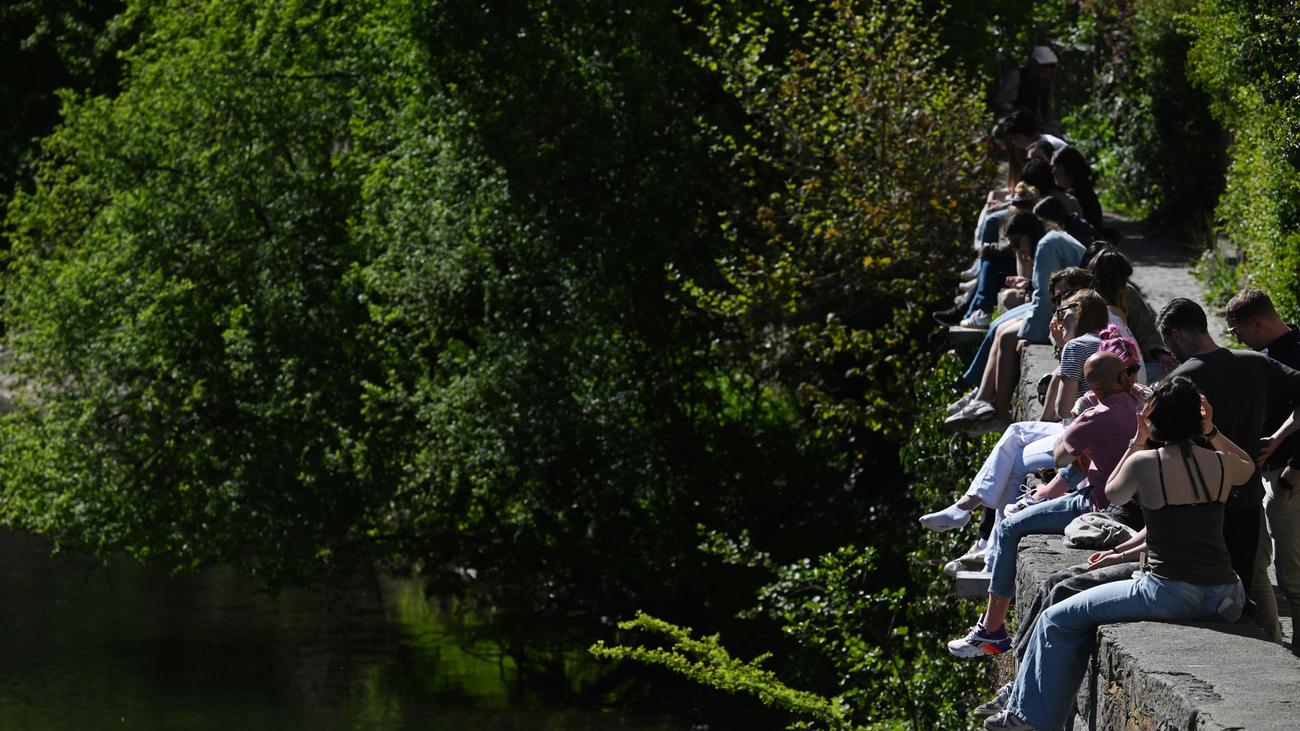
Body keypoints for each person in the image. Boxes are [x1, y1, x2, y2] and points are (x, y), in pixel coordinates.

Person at [986, 378, 1253, 730]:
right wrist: (1212, 428)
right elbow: (1248, 465)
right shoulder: (1221, 463)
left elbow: (1113, 492)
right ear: (1197, 418)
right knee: (1070, 591)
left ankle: (1032, 720)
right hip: (1225, 594)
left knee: (1057, 619)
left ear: (1155, 420)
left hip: (1168, 592)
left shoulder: (1146, 463)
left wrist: (1138, 440)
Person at [947, 347, 1141, 660]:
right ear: (1123, 378)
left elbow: (1060, 456)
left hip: (1097, 501)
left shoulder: (1094, 416)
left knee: (1010, 527)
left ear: (1091, 387)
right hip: (1131, 498)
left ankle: (992, 629)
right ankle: (1038, 498)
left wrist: (1083, 423)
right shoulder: (1138, 402)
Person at [1159, 297, 1300, 604]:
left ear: (1178, 335)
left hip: (1202, 504)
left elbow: (1159, 445)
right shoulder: (1256, 362)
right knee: (1250, 584)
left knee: (1214, 595)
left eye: (1169, 343)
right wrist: (1277, 438)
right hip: (1248, 497)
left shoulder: (1179, 380)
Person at [946, 213, 1084, 431]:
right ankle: (983, 396)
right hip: (1066, 303)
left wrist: (1030, 334)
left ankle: (998, 412)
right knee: (999, 328)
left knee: (1007, 335)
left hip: (1069, 308)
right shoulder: (1049, 240)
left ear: (1029, 234)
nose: (1017, 249)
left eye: (1017, 242)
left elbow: (1045, 301)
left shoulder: (1047, 246)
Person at [1222, 289, 1300, 642]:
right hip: (1270, 473)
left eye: (1238, 330)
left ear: (1258, 321)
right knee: (1258, 563)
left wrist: (1292, 469)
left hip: (1288, 476)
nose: (1237, 338)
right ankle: (1274, 638)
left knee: (1292, 575)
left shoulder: (1294, 353)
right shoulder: (1271, 353)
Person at [994, 46, 1061, 136]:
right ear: (1034, 64)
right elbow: (1003, 103)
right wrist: (1018, 116)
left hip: (1037, 127)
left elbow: (1047, 111)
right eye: (1044, 66)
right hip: (1013, 124)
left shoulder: (1047, 85)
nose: (1048, 70)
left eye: (1052, 66)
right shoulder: (1017, 76)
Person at [1051, 146, 1102, 230]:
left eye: (1057, 167)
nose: (1053, 171)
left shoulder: (1073, 196)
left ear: (1067, 168)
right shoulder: (1085, 189)